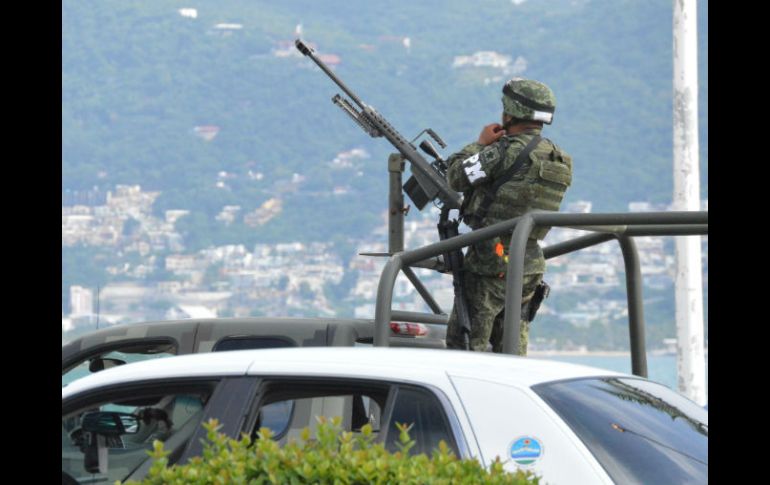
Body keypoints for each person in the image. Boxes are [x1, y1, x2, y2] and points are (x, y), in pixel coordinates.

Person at [444, 78, 572, 355]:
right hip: (528, 262)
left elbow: (455, 176)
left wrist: (479, 144)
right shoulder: (559, 159)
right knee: (512, 349)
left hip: (490, 260)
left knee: (466, 347)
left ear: (509, 113)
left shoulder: (502, 152)